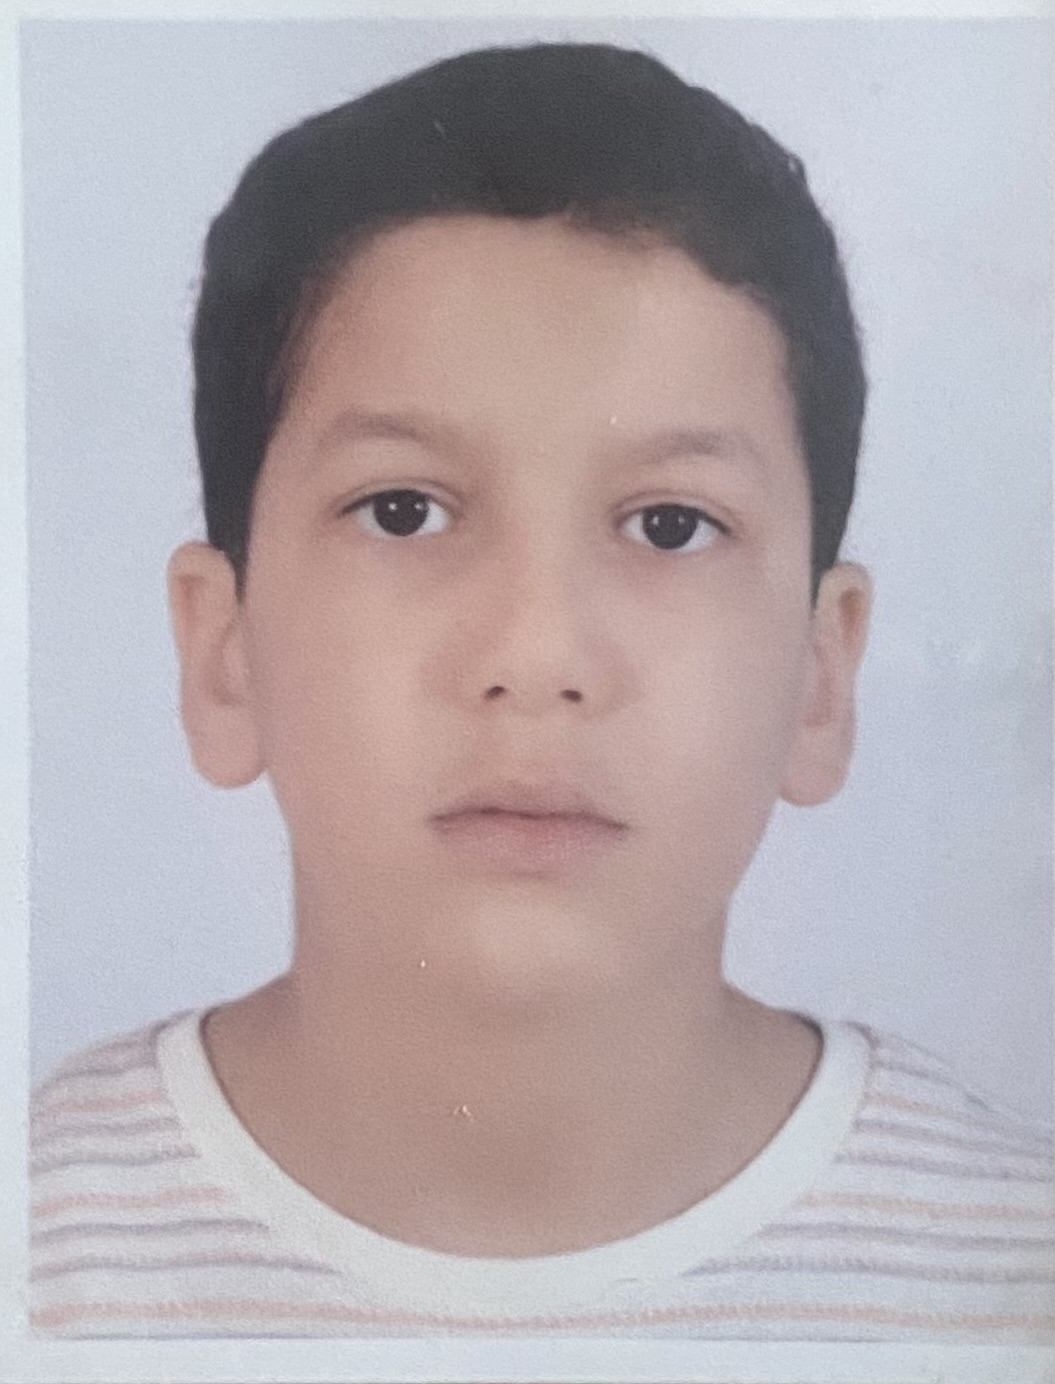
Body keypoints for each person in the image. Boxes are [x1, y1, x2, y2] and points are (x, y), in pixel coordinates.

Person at [29, 40, 1053, 1342]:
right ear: (222, 647)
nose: (540, 654)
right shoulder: (42, 1248)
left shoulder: (1011, 1283)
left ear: (820, 672)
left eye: (671, 524)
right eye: (404, 510)